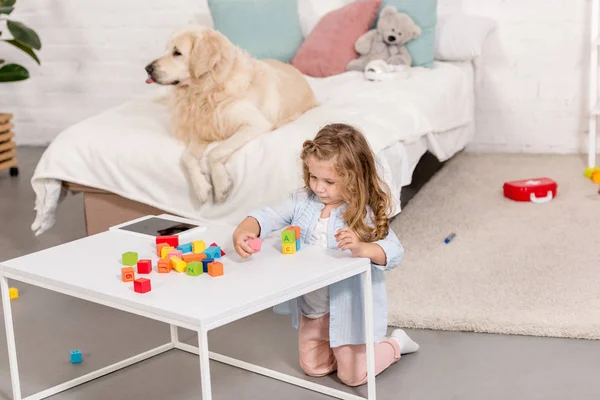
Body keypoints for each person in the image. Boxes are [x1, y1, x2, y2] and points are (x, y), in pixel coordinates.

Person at [232, 123, 419, 387]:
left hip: (348, 310)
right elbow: (268, 215)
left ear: (354, 179)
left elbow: (394, 251)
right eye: (313, 177)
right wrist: (246, 229)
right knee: (314, 368)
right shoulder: (301, 201)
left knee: (352, 377)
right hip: (314, 308)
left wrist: (363, 249)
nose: (319, 188)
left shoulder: (362, 213)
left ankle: (394, 343)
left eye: (329, 182)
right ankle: (340, 353)